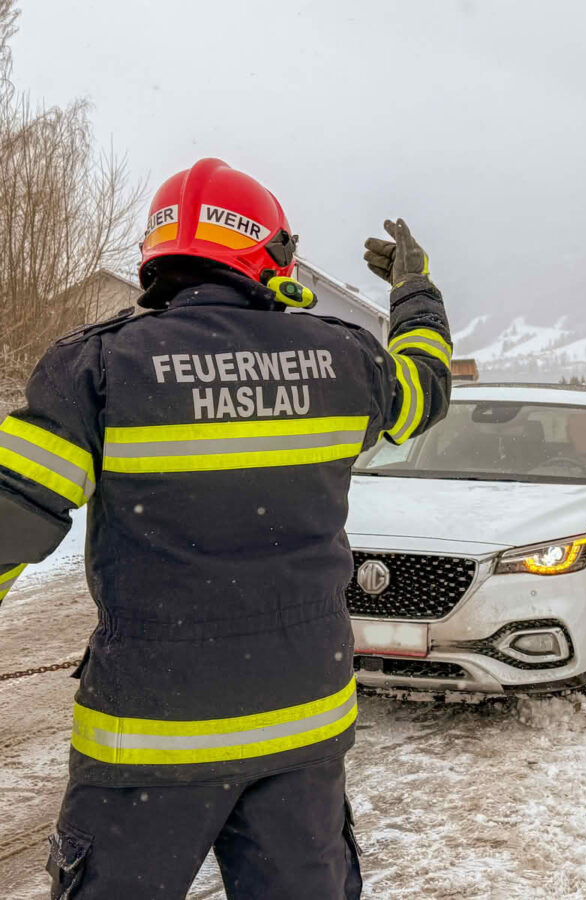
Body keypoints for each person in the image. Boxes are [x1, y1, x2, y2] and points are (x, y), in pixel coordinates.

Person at [0, 158, 452, 897]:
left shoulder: (99, 369)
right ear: (269, 255)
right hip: (302, 735)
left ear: (157, 259)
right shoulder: (344, 360)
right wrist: (414, 290)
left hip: (147, 743)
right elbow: (426, 390)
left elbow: (10, 521)